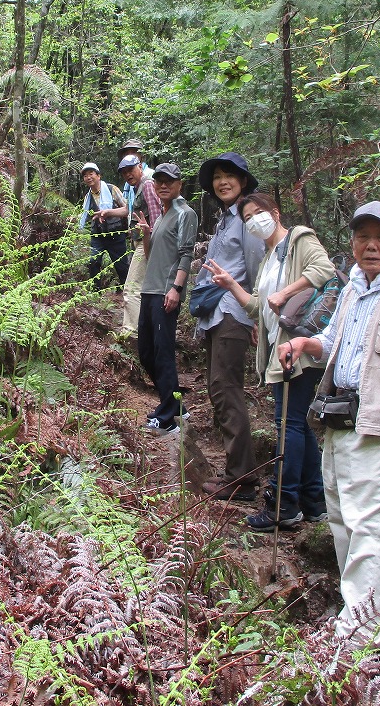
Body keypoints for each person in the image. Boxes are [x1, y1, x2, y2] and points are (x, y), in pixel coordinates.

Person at [277, 201, 380, 644]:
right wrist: (303, 343)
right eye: (362, 238)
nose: (371, 246)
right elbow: (333, 340)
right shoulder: (353, 289)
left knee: (369, 527)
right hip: (339, 421)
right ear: (352, 243)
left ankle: (357, 635)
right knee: (344, 522)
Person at [204, 192, 335, 532]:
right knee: (296, 424)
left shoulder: (299, 239)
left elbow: (324, 269)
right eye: (247, 218)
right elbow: (258, 307)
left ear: (275, 213)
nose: (253, 221)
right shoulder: (267, 260)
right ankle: (315, 501)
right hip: (279, 350)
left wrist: (286, 292)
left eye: (257, 213)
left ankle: (282, 505)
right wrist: (231, 285)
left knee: (287, 425)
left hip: (300, 347)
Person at [191, 153, 265, 501]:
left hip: (234, 313)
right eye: (218, 176)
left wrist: (258, 316)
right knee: (219, 389)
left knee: (226, 389)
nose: (222, 182)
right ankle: (238, 471)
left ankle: (242, 479)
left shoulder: (248, 220)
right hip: (217, 313)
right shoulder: (225, 221)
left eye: (229, 176)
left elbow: (258, 269)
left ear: (243, 181)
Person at [137, 162, 196, 435]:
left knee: (162, 353)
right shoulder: (162, 215)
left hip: (165, 292)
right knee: (146, 352)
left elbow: (186, 254)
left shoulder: (185, 213)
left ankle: (168, 418)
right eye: (159, 180)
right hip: (149, 290)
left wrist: (176, 288)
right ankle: (176, 405)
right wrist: (147, 234)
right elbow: (151, 256)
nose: (163, 185)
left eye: (169, 181)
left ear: (179, 185)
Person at [118, 154, 162, 339]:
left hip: (147, 244)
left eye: (131, 170)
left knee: (131, 288)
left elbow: (156, 216)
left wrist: (152, 247)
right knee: (142, 289)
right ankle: (143, 331)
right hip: (140, 243)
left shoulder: (147, 185)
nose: (128, 174)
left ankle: (131, 333)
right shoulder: (136, 188)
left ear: (140, 167)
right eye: (124, 172)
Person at [78, 162, 129, 290]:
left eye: (91, 174)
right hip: (97, 235)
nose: (88, 177)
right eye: (85, 175)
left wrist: (129, 227)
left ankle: (126, 290)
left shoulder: (112, 189)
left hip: (115, 234)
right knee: (93, 261)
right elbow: (84, 215)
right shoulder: (88, 197)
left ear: (98, 175)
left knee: (121, 265)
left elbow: (127, 207)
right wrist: (75, 221)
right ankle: (96, 291)